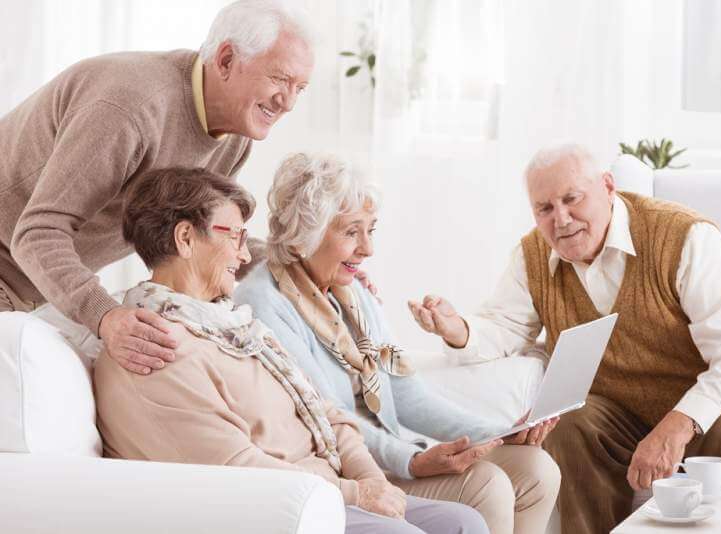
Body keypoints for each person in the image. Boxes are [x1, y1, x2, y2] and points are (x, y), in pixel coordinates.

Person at [407, 144, 721, 534]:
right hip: (621, 414)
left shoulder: (685, 238)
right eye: (545, 209)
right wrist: (456, 329)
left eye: (572, 199)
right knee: (571, 426)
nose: (562, 219)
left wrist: (679, 423)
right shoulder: (532, 256)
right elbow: (503, 327)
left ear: (608, 187)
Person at [93, 167, 487, 534]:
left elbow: (326, 412)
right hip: (273, 508)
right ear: (185, 238)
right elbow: (236, 468)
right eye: (235, 237)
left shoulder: (234, 326)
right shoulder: (151, 347)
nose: (245, 256)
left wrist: (369, 479)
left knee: (463, 523)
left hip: (325, 486)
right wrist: (356, 492)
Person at [234, 153, 562, 534]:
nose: (367, 250)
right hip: (348, 469)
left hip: (393, 453)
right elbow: (324, 419)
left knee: (538, 471)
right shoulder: (265, 303)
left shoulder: (353, 293)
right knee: (488, 486)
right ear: (304, 233)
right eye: (351, 232)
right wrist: (412, 461)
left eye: (371, 230)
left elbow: (407, 395)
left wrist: (499, 431)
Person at [0, 0, 313, 376]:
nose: (290, 102)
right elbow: (37, 234)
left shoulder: (233, 134)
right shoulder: (128, 109)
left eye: (300, 87)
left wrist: (299, 264)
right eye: (280, 79)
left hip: (36, 286)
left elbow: (203, 237)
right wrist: (106, 316)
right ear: (226, 60)